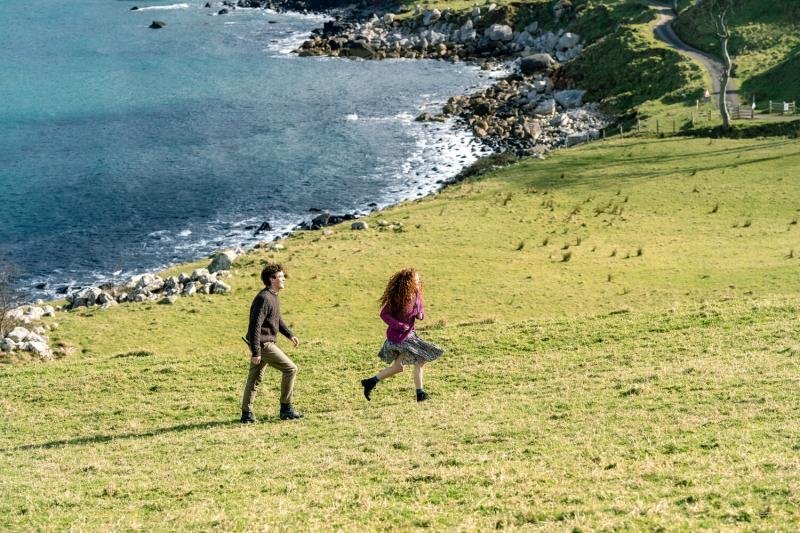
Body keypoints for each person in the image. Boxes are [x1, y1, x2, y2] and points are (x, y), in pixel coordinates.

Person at [361, 268, 444, 402]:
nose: (418, 281)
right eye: (416, 279)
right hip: (399, 338)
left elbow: (420, 309)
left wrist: (420, 315)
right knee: (421, 359)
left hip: (410, 335)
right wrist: (399, 325)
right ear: (408, 282)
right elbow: (384, 314)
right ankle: (420, 394)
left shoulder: (416, 293)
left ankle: (370, 382)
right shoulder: (398, 298)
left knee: (399, 367)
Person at [241, 263, 303, 422]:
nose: (284, 279)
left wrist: (289, 334)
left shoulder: (273, 296)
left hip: (261, 343)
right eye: (281, 277)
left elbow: (276, 319)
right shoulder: (263, 298)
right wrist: (256, 351)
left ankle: (246, 415)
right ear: (271, 279)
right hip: (263, 344)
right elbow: (255, 325)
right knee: (291, 369)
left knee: (254, 379)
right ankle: (286, 409)